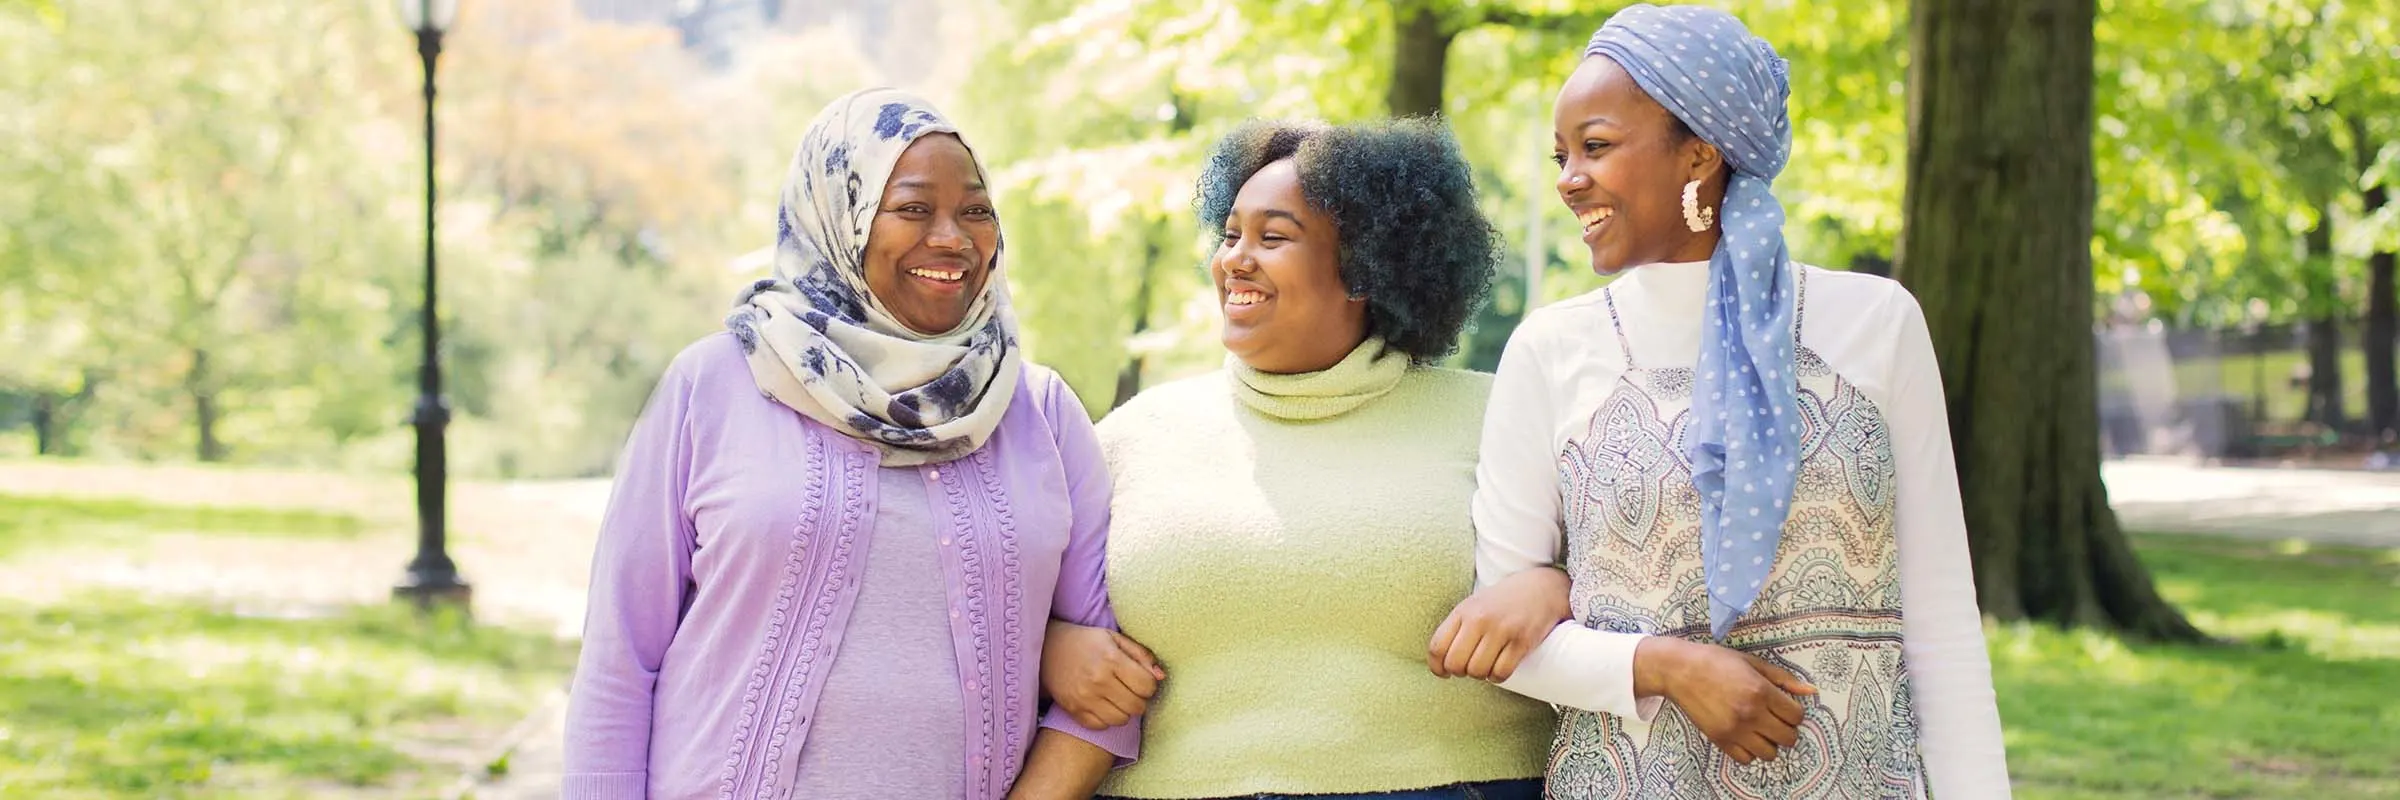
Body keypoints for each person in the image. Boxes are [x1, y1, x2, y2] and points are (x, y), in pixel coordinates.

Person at [1428, 6, 2012, 798]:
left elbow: (1940, 614)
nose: (1568, 178)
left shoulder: (1876, 323)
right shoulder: (1549, 350)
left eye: (1596, 147)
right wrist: (1664, 666)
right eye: (1561, 154)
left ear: (1699, 154)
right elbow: (1506, 634)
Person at [561, 87, 1139, 800]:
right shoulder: (712, 385)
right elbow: (620, 661)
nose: (954, 237)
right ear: (840, 215)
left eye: (976, 210)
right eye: (914, 208)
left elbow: (1110, 691)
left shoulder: (1041, 412)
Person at [1045, 118, 1554, 800]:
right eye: (1230, 236)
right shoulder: (1132, 436)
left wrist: (1558, 589)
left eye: (1273, 237)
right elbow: (999, 596)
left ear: (1365, 269)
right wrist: (1052, 648)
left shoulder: (1497, 418)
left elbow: (1635, 583)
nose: (1235, 260)